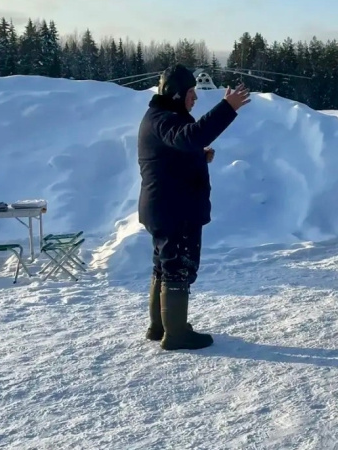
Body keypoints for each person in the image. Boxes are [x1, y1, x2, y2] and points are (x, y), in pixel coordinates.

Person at [138, 64, 250, 350]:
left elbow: (178, 149)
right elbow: (191, 136)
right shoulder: (164, 119)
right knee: (177, 268)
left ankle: (161, 326)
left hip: (166, 207)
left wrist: (198, 156)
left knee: (164, 267)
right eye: (191, 92)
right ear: (176, 94)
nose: (195, 98)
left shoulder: (161, 117)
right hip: (174, 209)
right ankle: (176, 334)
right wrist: (227, 107)